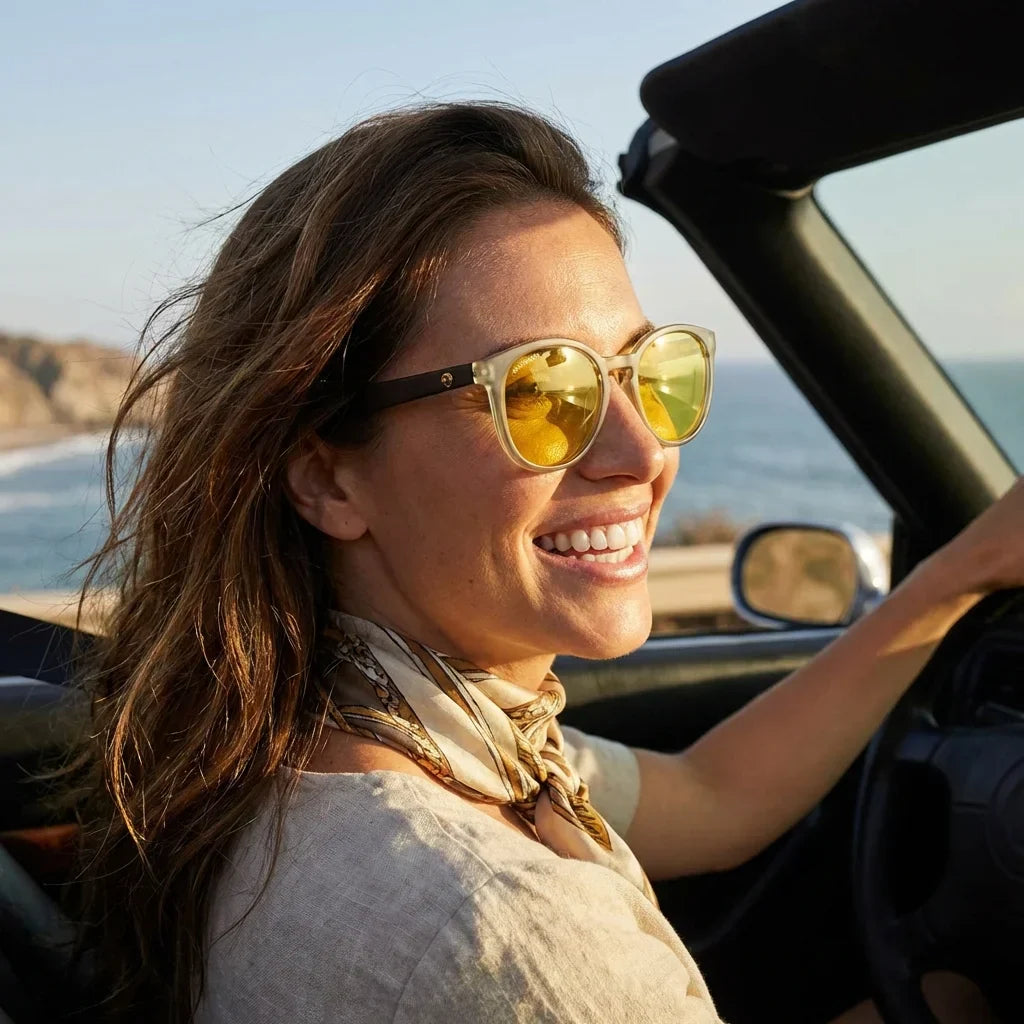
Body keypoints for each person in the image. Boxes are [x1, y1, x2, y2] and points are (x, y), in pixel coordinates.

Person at [71, 102, 1022, 1024]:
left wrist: (962, 569)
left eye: (652, 373)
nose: (643, 452)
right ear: (327, 479)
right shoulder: (512, 938)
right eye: (538, 389)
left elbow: (718, 796)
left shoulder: (322, 738)